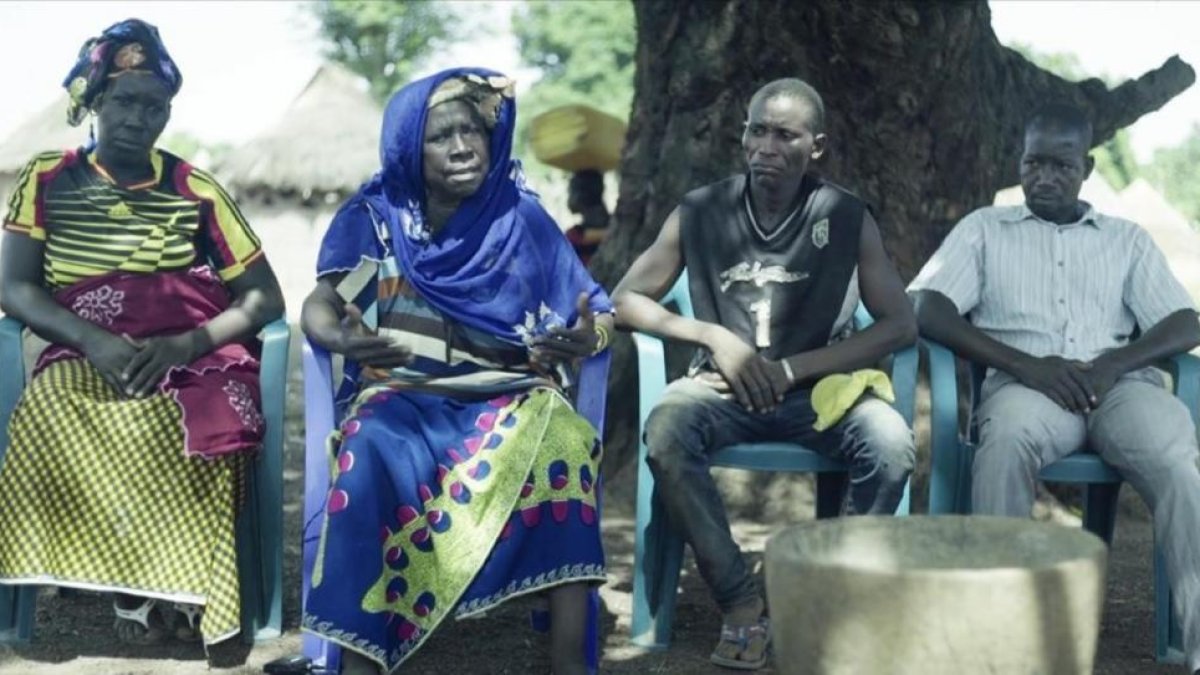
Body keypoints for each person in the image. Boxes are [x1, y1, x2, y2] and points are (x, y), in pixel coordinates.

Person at [300, 68, 613, 675]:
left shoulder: (522, 219)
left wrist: (582, 338)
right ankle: (361, 658)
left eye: (472, 130)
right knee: (368, 450)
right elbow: (323, 299)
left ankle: (570, 659)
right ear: (407, 148)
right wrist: (338, 335)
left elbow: (597, 312)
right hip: (403, 397)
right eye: (440, 136)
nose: (463, 145)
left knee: (568, 441)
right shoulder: (376, 215)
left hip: (510, 398)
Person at [611, 77, 916, 670]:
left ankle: (823, 595)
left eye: (786, 134)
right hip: (720, 391)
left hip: (819, 394)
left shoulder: (845, 215)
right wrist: (711, 336)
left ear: (816, 147)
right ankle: (741, 601)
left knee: (891, 444)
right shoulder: (700, 210)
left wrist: (796, 368)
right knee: (669, 429)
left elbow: (900, 325)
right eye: (758, 130)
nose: (767, 146)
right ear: (742, 136)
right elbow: (624, 300)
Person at [0, 19, 285, 647]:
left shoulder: (194, 188)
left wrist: (186, 346)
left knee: (212, 421)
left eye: (155, 107)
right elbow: (15, 288)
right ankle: (133, 589)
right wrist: (93, 340)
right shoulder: (48, 179)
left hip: (181, 350)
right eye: (125, 101)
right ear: (95, 103)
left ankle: (175, 588)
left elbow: (264, 295)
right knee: (52, 409)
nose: (139, 117)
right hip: (82, 347)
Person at [910, 102, 1200, 675]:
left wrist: (1115, 362)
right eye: (1032, 162)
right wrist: (1028, 364)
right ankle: (1002, 643)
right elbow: (927, 307)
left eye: (1060, 165)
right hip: (1027, 388)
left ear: (1087, 167)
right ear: (1019, 162)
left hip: (1118, 387)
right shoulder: (985, 230)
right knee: (1006, 445)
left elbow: (1184, 322)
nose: (1044, 177)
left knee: (1178, 462)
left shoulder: (1126, 239)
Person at [563, 169, 610, 265]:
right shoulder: (619, 227)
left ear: (582, 194)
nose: (569, 198)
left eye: (571, 191)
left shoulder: (574, 237)